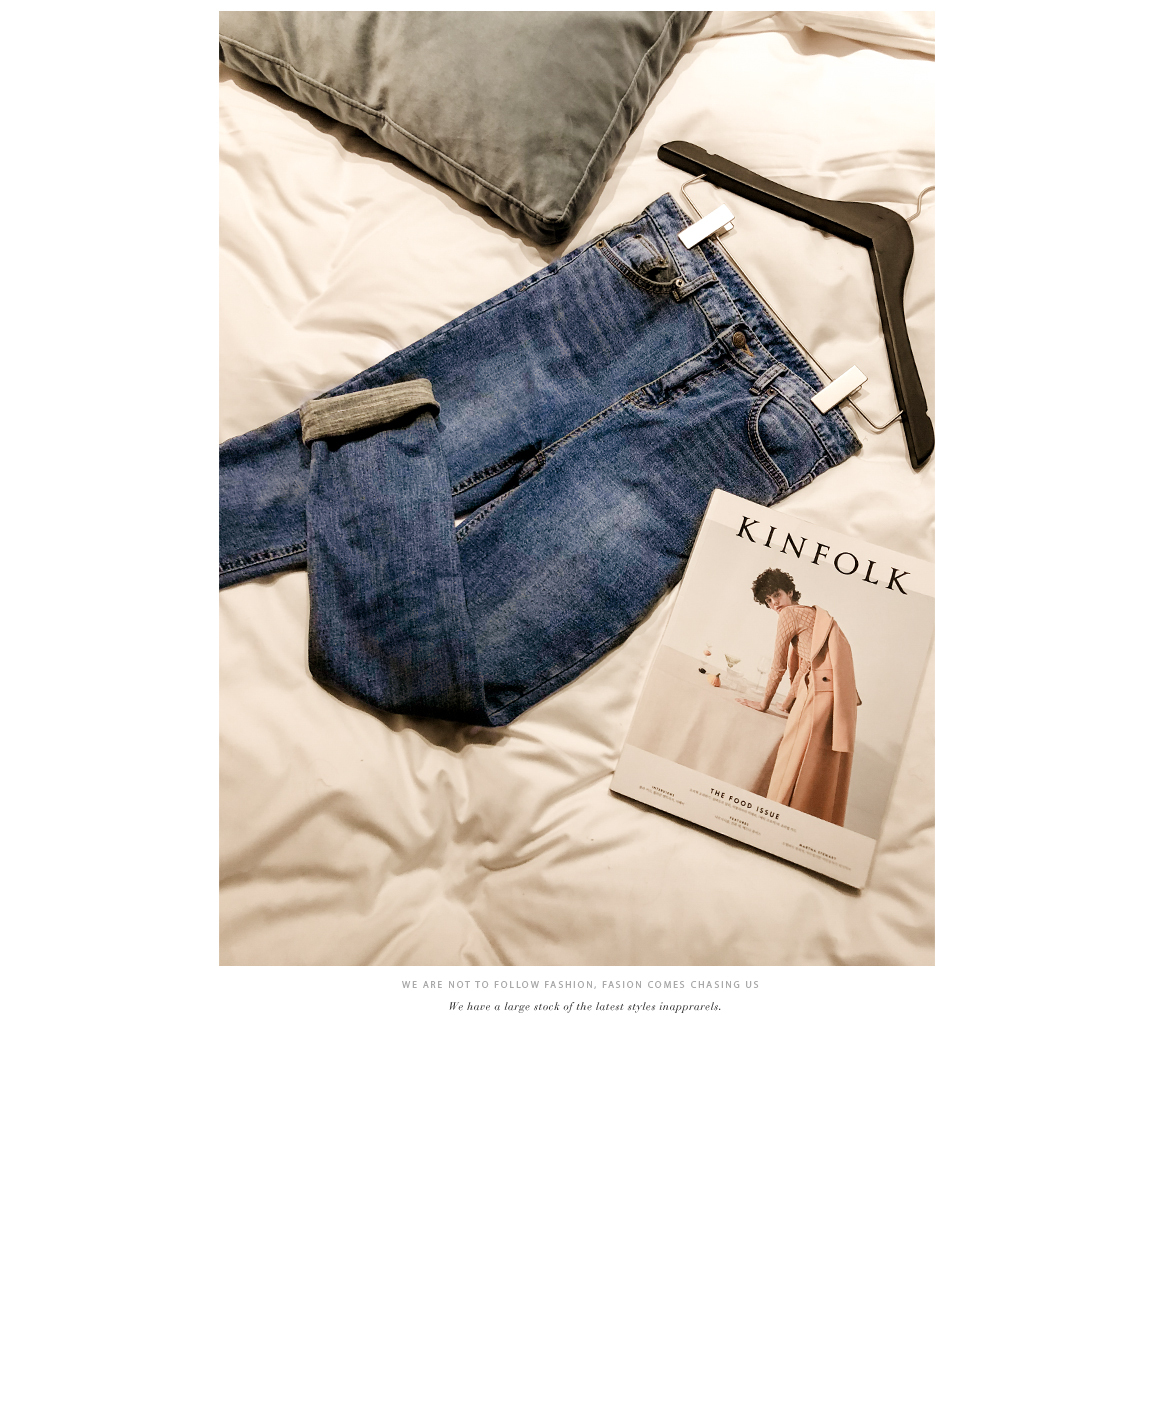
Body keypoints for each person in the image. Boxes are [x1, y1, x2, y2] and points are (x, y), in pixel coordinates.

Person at [736, 568, 860, 826]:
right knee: (818, 764)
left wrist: (764, 703)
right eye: (768, 600)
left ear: (789, 592)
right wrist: (786, 703)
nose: (774, 604)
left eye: (777, 595)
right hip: (836, 695)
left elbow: (778, 666)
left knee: (792, 759)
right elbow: (806, 664)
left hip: (816, 693)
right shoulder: (815, 615)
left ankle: (774, 817)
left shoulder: (789, 614)